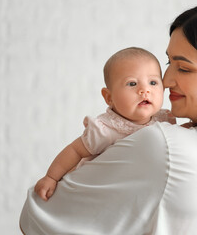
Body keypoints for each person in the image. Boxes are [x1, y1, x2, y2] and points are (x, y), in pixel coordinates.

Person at [20, 2, 197, 234]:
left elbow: (38, 215)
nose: (166, 80)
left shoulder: (163, 145)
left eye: (183, 67)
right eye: (168, 62)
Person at [34, 47, 176, 201]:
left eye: (153, 82)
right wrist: (51, 178)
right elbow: (75, 151)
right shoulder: (106, 128)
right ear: (109, 97)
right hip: (98, 191)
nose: (144, 90)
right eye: (132, 84)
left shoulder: (164, 119)